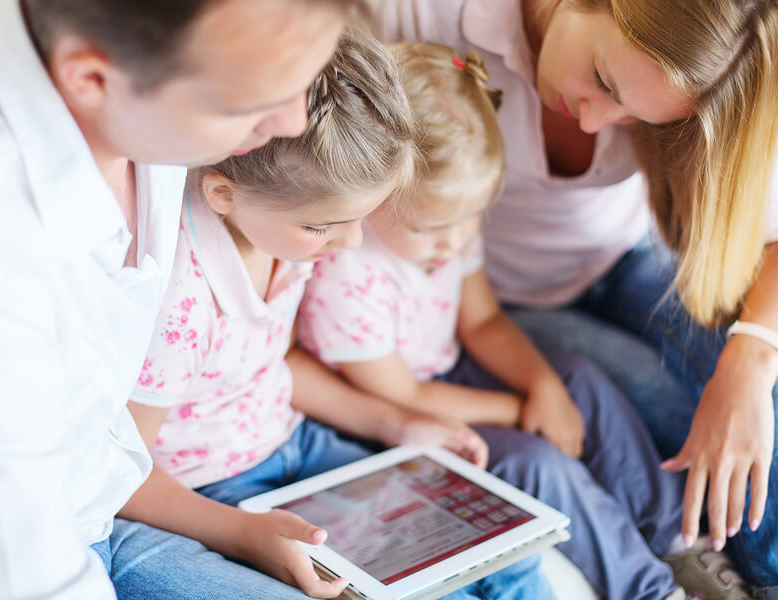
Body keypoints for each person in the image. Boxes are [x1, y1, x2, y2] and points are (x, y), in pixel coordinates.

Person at [0, 0, 354, 597]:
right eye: (250, 103)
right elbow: (1, 571)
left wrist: (234, 530)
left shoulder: (130, 94)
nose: (292, 122)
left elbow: (94, 424)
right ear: (91, 80)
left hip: (106, 506)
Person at [121, 27, 555, 600]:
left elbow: (275, 362)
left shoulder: (287, 236)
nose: (350, 245)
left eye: (362, 218)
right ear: (223, 193)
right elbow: (121, 470)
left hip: (297, 445)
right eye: (325, 226)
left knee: (503, 553)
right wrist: (246, 536)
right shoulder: (181, 298)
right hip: (210, 489)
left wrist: (393, 425)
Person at [365, 1, 778, 597]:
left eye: (636, 117)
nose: (593, 122)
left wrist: (752, 358)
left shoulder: (709, 64)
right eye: (604, 80)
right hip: (507, 299)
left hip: (630, 255)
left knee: (754, 397)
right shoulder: (426, 15)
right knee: (659, 398)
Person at [297, 42, 698, 600]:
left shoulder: (448, 229)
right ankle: (649, 589)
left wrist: (544, 386)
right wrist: (524, 408)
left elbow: (483, 321)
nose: (454, 243)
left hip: (449, 375)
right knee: (538, 464)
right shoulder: (346, 278)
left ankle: (676, 538)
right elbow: (403, 396)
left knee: (579, 380)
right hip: (398, 418)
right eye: (430, 229)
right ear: (374, 196)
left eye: (469, 220)